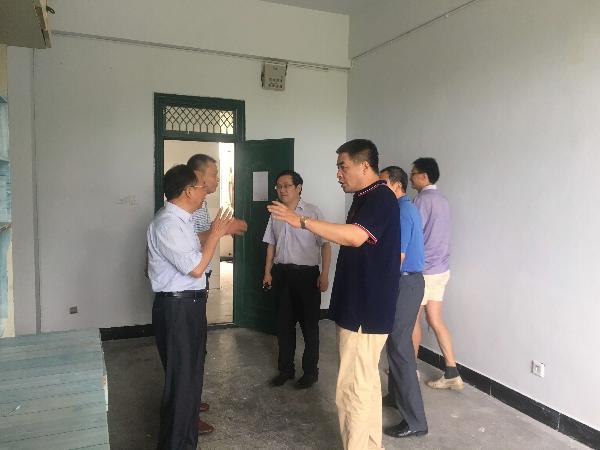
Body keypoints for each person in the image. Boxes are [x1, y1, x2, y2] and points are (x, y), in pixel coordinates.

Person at [267, 139, 399, 450]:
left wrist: (302, 221)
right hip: (360, 306)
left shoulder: (380, 197)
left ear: (364, 166)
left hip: (365, 310)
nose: (338, 173)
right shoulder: (365, 197)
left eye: (343, 166)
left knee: (353, 390)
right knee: (364, 386)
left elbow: (354, 237)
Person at [147, 164, 233, 450]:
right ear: (187, 191)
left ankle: (185, 442)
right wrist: (216, 234)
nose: (204, 191)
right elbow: (195, 268)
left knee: (190, 378)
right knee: (182, 383)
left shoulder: (181, 220)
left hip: (189, 305)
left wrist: (215, 232)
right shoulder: (168, 224)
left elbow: (192, 250)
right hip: (177, 308)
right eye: (200, 187)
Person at [186, 154, 247, 434]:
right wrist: (220, 231)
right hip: (186, 288)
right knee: (188, 351)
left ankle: (190, 400)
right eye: (214, 174)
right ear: (198, 175)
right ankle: (185, 412)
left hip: (198, 282)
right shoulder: (185, 207)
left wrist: (219, 230)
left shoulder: (199, 204)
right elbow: (189, 241)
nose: (218, 179)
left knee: (197, 347)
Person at [262, 170, 331, 389]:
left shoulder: (312, 212)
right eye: (279, 186)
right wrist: (267, 272)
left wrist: (324, 274)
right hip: (281, 274)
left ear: (298, 187)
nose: (282, 190)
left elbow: (326, 245)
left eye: (286, 186)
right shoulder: (275, 213)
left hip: (307, 276)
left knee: (310, 327)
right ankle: (286, 370)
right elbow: (271, 244)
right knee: (284, 326)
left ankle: (310, 372)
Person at [379, 166, 428, 438]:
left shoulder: (402, 211)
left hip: (406, 283)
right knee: (395, 342)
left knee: (400, 347)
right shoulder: (402, 208)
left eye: (383, 183)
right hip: (405, 281)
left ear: (397, 185)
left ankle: (415, 421)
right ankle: (395, 397)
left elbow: (397, 256)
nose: (379, 188)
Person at [410, 157, 463, 390]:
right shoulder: (443, 200)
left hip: (424, 271)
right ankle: (452, 372)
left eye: (413, 173)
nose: (410, 177)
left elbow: (414, 235)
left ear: (423, 176)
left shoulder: (421, 200)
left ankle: (409, 369)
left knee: (412, 319)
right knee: (435, 319)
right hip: (441, 269)